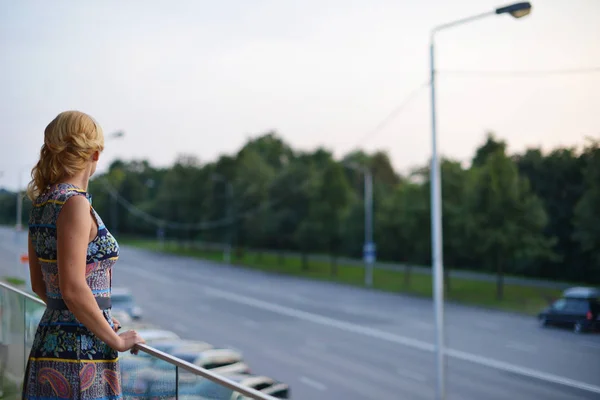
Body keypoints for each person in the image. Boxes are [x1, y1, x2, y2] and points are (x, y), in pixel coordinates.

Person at [23, 111, 145, 399]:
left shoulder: (42, 202)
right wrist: (114, 338)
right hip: (80, 352)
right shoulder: (75, 204)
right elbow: (73, 289)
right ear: (95, 154)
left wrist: (98, 320)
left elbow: (41, 285)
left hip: (49, 341)